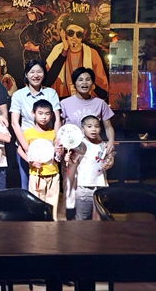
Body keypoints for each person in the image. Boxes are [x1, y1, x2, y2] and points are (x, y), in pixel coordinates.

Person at [60, 67, 115, 217]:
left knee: (93, 186)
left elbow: (108, 126)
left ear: (92, 83)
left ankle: (92, 221)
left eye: (88, 79)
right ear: (74, 84)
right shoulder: (65, 103)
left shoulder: (100, 103)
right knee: (70, 190)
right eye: (80, 80)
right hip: (72, 155)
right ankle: (71, 221)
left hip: (92, 153)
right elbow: (60, 127)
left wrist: (111, 141)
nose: (84, 83)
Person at [10, 59, 62, 188]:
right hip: (26, 145)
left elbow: (57, 120)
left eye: (39, 71)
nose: (36, 75)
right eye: (32, 72)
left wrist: (56, 144)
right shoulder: (18, 95)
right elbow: (15, 123)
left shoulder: (51, 93)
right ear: (26, 74)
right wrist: (27, 149)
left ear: (44, 74)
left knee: (48, 184)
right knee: (26, 184)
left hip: (48, 146)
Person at [45, 12, 109, 100]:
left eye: (78, 34)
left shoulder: (92, 53)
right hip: (61, 103)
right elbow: (47, 82)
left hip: (85, 103)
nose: (74, 37)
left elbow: (103, 91)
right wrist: (65, 50)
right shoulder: (57, 51)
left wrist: (89, 86)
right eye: (70, 33)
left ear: (84, 34)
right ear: (65, 33)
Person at [22, 100, 63, 219]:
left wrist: (60, 151)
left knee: (52, 203)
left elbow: (58, 153)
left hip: (53, 173)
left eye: (47, 114)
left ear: (51, 115)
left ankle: (52, 226)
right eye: (40, 113)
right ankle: (36, 228)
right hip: (36, 174)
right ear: (33, 113)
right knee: (36, 204)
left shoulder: (54, 133)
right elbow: (20, 149)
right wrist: (30, 161)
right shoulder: (28, 133)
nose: (44, 117)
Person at [69, 116, 115, 220]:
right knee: (83, 217)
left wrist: (109, 163)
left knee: (99, 217)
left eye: (96, 126)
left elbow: (110, 159)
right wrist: (68, 158)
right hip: (84, 187)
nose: (93, 129)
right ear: (82, 129)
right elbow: (72, 162)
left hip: (100, 186)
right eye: (89, 126)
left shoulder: (104, 145)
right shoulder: (79, 145)